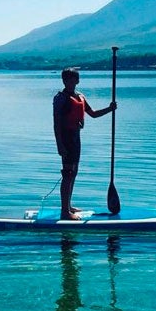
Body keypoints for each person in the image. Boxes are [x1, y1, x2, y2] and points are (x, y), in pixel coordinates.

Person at [52, 68, 117, 220]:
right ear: (64, 81)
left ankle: (68, 205)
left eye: (74, 79)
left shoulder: (80, 96)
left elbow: (93, 114)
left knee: (74, 172)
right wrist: (59, 145)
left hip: (76, 137)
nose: (72, 82)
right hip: (67, 138)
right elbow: (56, 124)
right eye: (68, 79)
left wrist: (110, 108)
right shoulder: (60, 98)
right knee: (67, 174)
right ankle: (64, 211)